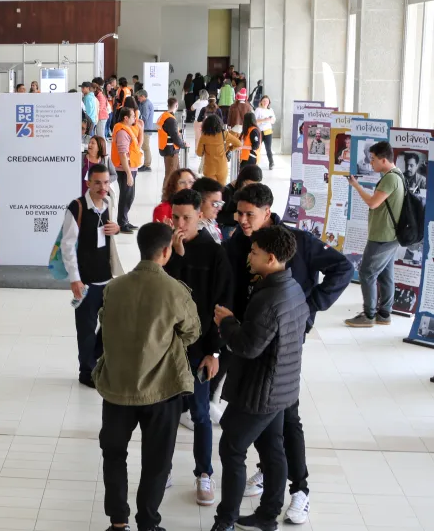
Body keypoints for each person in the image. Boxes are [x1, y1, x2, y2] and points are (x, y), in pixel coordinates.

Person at [225, 184, 349, 524]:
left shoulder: (297, 242)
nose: (242, 220)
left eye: (249, 214)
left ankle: (300, 489)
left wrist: (309, 307)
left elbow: (343, 268)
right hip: (249, 339)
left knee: (286, 413)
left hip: (284, 342)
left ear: (267, 212)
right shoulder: (238, 242)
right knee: (263, 412)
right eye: (239, 213)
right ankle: (270, 473)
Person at [95, 222, 200, 531]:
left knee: (114, 455)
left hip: (117, 387)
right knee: (157, 461)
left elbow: (104, 322)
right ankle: (148, 523)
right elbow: (192, 332)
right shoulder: (175, 291)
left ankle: (118, 521)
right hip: (162, 389)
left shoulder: (114, 287)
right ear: (166, 252)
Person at [211, 225, 310, 531]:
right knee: (272, 450)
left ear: (270, 258)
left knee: (232, 448)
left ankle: (226, 520)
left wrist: (227, 323)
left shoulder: (270, 297)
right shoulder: (292, 287)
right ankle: (267, 517)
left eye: (254, 253)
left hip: (260, 392)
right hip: (282, 388)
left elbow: (248, 347)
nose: (248, 257)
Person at [164, 189, 232, 507]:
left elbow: (221, 305)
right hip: (168, 348)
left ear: (200, 216)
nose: (180, 224)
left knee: (201, 413)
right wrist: (175, 256)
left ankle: (204, 473)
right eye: (175, 217)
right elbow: (163, 294)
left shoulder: (215, 254)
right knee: (165, 413)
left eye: (186, 218)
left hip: (199, 348)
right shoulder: (166, 249)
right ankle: (162, 467)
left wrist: (214, 352)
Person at [62, 165, 120, 388]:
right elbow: (68, 246)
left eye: (106, 182)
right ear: (88, 184)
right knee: (86, 329)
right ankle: (86, 371)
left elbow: (111, 235)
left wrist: (116, 229)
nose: (102, 187)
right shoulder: (77, 207)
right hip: (85, 282)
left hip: (108, 279)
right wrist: (75, 279)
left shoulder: (108, 203)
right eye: (97, 182)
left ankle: (94, 358)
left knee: (112, 325)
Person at [346, 141, 406, 327]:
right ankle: (384, 314)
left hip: (382, 236)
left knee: (367, 273)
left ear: (384, 159)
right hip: (390, 235)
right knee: (386, 275)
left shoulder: (390, 178)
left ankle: (369, 315)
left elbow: (373, 203)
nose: (370, 162)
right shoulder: (398, 175)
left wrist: (356, 186)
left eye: (373, 159)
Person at [110, 107, 143, 233]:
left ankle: (125, 220)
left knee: (129, 195)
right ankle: (122, 223)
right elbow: (123, 154)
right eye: (133, 116)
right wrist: (129, 173)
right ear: (126, 118)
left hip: (130, 167)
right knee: (126, 196)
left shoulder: (127, 129)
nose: (135, 118)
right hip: (125, 169)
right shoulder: (122, 132)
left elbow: (136, 146)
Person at [217, 164, 263, 240]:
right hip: (229, 226)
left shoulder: (252, 190)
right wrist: (233, 216)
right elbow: (216, 217)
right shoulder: (226, 192)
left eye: (254, 185)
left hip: (244, 223)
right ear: (242, 180)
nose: (250, 188)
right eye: (248, 184)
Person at [197, 115, 242, 186]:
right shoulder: (224, 134)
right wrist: (229, 148)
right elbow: (239, 144)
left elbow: (199, 153)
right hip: (222, 167)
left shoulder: (204, 136)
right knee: (222, 189)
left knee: (211, 189)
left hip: (209, 167)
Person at [157, 98, 187, 174]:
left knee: (176, 173)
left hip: (165, 147)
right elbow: (175, 137)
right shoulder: (170, 119)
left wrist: (178, 131)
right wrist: (183, 145)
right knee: (170, 174)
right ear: (176, 105)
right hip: (171, 150)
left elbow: (167, 131)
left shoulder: (163, 116)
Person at [192, 177, 226, 243]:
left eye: (221, 203)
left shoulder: (210, 220)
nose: (220, 208)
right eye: (215, 204)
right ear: (200, 202)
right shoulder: (195, 230)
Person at [254, 96, 276, 169]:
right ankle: (255, 162)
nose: (265, 102)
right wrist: (264, 120)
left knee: (268, 148)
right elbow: (254, 121)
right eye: (264, 101)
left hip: (268, 131)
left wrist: (270, 120)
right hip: (259, 131)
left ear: (269, 102)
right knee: (257, 148)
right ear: (261, 102)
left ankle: (271, 162)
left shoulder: (270, 110)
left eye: (267, 101)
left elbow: (273, 121)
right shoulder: (258, 110)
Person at [136, 90, 155, 171]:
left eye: (139, 98)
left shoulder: (145, 105)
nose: (138, 99)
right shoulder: (145, 103)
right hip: (146, 127)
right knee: (145, 146)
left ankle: (147, 165)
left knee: (145, 147)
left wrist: (137, 123)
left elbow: (144, 118)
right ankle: (146, 164)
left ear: (143, 96)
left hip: (145, 128)